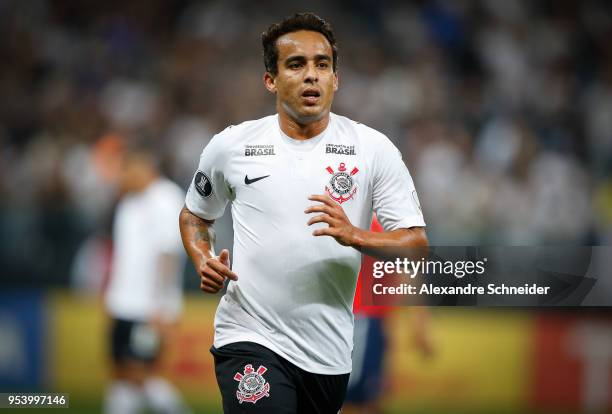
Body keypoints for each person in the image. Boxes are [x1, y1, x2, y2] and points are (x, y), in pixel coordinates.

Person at [179, 12, 428, 413]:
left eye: (322, 64)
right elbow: (195, 215)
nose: (311, 75)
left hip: (328, 354)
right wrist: (202, 256)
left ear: (336, 79)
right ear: (270, 80)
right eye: (296, 64)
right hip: (249, 335)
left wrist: (356, 235)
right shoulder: (231, 146)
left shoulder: (373, 149)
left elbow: (415, 244)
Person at [103, 139, 190, 414]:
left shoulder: (166, 198)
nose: (122, 176)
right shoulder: (128, 202)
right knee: (121, 374)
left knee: (142, 376)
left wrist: (161, 307)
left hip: (148, 308)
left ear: (143, 167)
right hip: (122, 303)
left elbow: (168, 256)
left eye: (126, 169)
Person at [344, 216, 434, 414]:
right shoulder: (380, 224)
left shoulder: (372, 223)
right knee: (357, 401)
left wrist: (419, 323)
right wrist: (419, 325)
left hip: (364, 322)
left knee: (358, 400)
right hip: (361, 323)